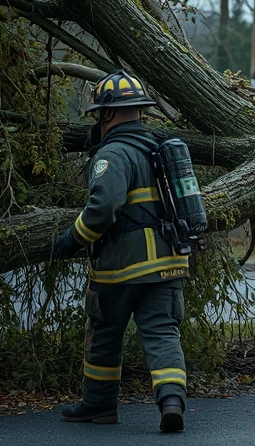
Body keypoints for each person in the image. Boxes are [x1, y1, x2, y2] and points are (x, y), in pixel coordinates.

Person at [52, 70, 189, 432]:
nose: (97, 122)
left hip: (121, 267)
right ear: (140, 111)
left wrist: (72, 239)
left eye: (98, 115)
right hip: (170, 262)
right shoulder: (158, 149)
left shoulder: (112, 154)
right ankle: (171, 402)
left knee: (104, 334)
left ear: (108, 115)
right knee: (162, 334)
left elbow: (103, 207)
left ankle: (99, 407)